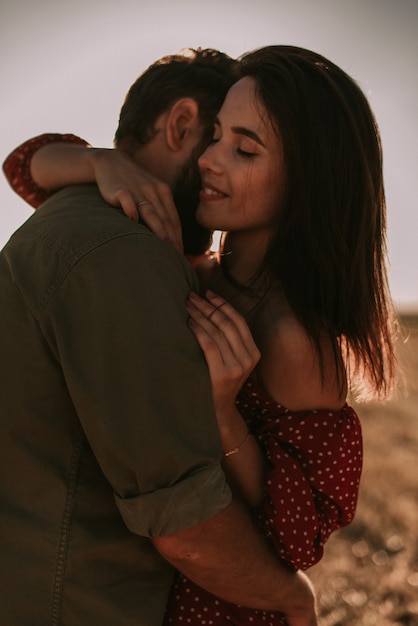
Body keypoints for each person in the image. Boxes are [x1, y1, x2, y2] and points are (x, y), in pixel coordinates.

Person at [3, 45, 397, 626]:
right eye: (213, 136)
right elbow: (22, 165)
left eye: (243, 149)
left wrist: (222, 414)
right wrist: (103, 162)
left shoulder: (292, 337)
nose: (210, 159)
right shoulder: (184, 265)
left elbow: (296, 539)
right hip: (167, 590)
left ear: (305, 178)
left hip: (230, 603)